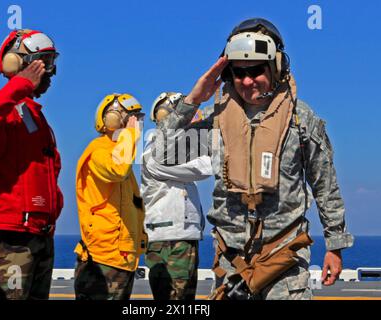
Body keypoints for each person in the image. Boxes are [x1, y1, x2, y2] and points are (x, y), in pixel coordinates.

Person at [152, 18, 354, 300]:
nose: (247, 81)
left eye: (256, 70)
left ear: (276, 67)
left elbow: (325, 186)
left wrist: (335, 246)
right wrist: (193, 100)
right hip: (230, 263)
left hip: (284, 260)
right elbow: (162, 155)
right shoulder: (216, 119)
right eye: (238, 72)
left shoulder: (301, 119)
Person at [0, 29, 62, 300]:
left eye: (51, 62)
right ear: (17, 64)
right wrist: (19, 85)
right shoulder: (1, 113)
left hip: (38, 237)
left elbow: (48, 171)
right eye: (43, 63)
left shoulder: (33, 116)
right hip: (7, 240)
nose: (50, 72)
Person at [74, 93, 148, 300]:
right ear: (112, 119)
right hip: (103, 258)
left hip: (120, 257)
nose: (137, 125)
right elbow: (117, 169)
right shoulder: (99, 151)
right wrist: (129, 135)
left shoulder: (119, 152)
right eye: (131, 119)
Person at [141, 92, 212, 300]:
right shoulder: (153, 152)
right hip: (170, 238)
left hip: (182, 235)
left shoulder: (178, 150)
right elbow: (201, 169)